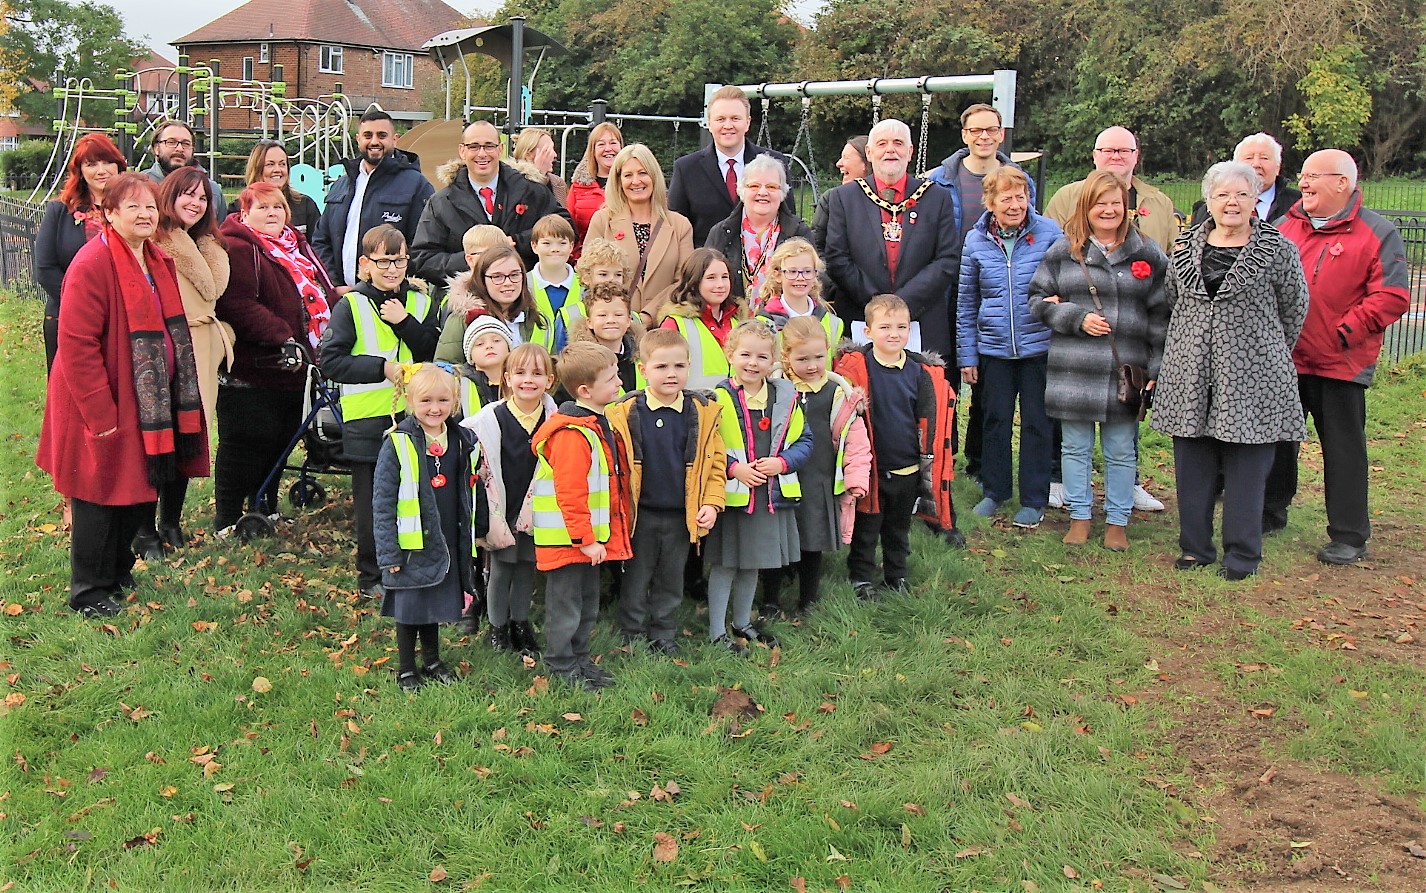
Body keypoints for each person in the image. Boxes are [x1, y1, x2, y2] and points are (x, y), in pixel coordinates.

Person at [36, 172, 209, 618]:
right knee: (98, 495)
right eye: (132, 206)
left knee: (138, 489)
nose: (145, 214)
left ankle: (117, 571)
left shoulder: (155, 260)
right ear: (110, 213)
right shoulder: (93, 263)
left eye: (150, 206)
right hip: (102, 402)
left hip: (149, 401)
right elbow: (77, 346)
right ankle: (89, 591)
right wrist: (100, 413)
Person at [1152, 161, 1309, 580]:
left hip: (1255, 377)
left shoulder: (1277, 250)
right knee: (1194, 464)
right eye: (1222, 195)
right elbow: (1173, 300)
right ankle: (1195, 548)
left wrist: (1261, 350)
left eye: (1241, 194)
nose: (1232, 203)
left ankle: (1241, 555)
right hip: (1190, 373)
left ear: (1256, 199)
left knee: (1246, 469)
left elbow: (1295, 310)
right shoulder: (1184, 248)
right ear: (1209, 201)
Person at [1266, 149, 1410, 565]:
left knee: (1343, 449)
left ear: (1342, 182)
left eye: (1313, 176)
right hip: (1285, 359)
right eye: (1303, 175)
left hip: (1340, 363)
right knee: (1276, 441)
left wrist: (1346, 331)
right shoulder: (1284, 226)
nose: (1303, 183)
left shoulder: (1376, 232)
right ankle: (1269, 512)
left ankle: (1348, 535)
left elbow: (1392, 295)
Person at [1030, 170, 1169, 552]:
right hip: (1073, 366)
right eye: (1100, 203)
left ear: (1127, 208)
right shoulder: (1064, 251)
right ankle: (1079, 516)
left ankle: (1117, 520)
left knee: (1121, 449)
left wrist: (1156, 368)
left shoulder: (1148, 253)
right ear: (1086, 208)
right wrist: (1074, 318)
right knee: (1074, 447)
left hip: (1125, 370)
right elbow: (1037, 300)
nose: (1108, 210)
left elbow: (1162, 315)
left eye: (1115, 203)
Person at [318, 224, 441, 596]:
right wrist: (380, 368)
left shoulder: (419, 301)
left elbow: (433, 351)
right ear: (364, 265)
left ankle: (416, 567)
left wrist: (404, 322)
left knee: (417, 495)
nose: (392, 269)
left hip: (418, 418)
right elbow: (331, 361)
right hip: (368, 421)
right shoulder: (351, 304)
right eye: (383, 261)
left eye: (399, 260)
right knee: (376, 503)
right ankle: (372, 575)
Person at [215, 182, 336, 536]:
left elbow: (318, 288)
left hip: (296, 365)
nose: (272, 214)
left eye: (278, 207)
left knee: (281, 437)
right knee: (245, 442)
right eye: (263, 208)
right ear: (245, 212)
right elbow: (238, 304)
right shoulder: (239, 247)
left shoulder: (295, 244)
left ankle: (263, 504)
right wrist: (281, 334)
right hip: (255, 366)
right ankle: (227, 515)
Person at [928, 102, 1038, 486]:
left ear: (1000, 134)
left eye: (991, 130)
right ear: (965, 135)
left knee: (989, 384)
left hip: (998, 291)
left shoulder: (1020, 180)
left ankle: (978, 459)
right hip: (949, 290)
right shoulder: (940, 179)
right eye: (976, 131)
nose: (984, 137)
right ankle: (945, 454)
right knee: (950, 376)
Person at [606, 328, 727, 656]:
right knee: (636, 576)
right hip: (640, 515)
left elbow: (715, 464)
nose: (671, 374)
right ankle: (631, 630)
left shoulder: (701, 414)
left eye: (678, 366)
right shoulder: (625, 413)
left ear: (688, 366)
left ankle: (664, 631)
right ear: (644, 370)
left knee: (671, 578)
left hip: (679, 515)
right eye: (661, 367)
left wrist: (713, 504)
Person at [834, 295, 962, 600]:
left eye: (901, 327)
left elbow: (927, 420)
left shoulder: (920, 372)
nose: (894, 333)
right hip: (873, 468)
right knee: (868, 528)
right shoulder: (858, 368)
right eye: (885, 327)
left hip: (908, 467)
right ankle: (861, 577)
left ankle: (896, 575)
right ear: (868, 332)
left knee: (897, 528)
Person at [957, 166, 1063, 530]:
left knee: (1037, 422)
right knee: (994, 419)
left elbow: (1065, 284)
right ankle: (995, 490)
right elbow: (966, 301)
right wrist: (967, 355)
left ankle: (1034, 499)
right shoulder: (976, 241)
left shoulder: (1049, 233)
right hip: (993, 349)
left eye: (1021, 196)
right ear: (990, 202)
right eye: (1007, 197)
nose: (1015, 204)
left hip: (1040, 348)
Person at [139, 167, 233, 556]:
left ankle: (171, 520)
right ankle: (144, 527)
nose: (195, 203)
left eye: (202, 197)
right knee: (159, 438)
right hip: (166, 350)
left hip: (202, 348)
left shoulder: (208, 244)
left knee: (188, 436)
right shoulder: (157, 242)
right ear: (170, 196)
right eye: (187, 195)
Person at [531, 341, 633, 690]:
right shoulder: (572, 435)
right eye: (612, 378)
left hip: (588, 541)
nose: (619, 383)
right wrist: (586, 539)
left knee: (586, 606)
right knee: (566, 608)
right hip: (569, 542)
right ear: (586, 390)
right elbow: (571, 493)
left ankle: (580, 660)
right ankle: (562, 666)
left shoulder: (596, 425)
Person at [706, 320, 811, 654]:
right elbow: (707, 446)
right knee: (725, 564)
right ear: (730, 354)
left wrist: (782, 463)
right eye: (745, 354)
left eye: (762, 357)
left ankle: (742, 622)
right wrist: (734, 469)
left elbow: (804, 441)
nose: (753, 363)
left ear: (773, 361)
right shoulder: (716, 398)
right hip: (732, 499)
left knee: (752, 562)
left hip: (768, 497)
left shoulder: (785, 397)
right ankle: (715, 631)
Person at [372, 364, 479, 691]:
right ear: (409, 401)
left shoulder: (461, 441)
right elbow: (383, 500)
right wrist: (389, 552)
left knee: (433, 603)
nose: (435, 409)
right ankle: (407, 668)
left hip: (446, 535)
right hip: (411, 542)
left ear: (455, 401)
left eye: (443, 401)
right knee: (410, 606)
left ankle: (432, 660)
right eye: (426, 401)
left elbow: (471, 489)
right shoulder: (398, 443)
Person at [823, 118, 960, 358]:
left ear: (910, 152)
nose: (890, 150)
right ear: (869, 152)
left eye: (898, 143)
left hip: (922, 319)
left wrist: (903, 304)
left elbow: (947, 259)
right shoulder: (845, 198)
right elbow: (836, 257)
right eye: (882, 143)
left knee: (927, 393)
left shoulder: (936, 198)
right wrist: (879, 304)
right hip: (861, 316)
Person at [762, 317, 870, 615]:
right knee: (777, 539)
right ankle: (770, 598)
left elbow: (855, 439)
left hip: (818, 478)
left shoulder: (836, 393)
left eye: (819, 357)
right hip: (782, 475)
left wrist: (856, 477)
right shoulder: (776, 390)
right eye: (803, 358)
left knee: (812, 540)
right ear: (786, 357)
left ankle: (808, 598)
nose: (812, 365)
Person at [464, 342, 559, 656]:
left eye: (537, 373)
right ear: (506, 378)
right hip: (503, 508)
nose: (528, 380)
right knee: (502, 569)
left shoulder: (554, 419)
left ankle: (520, 622)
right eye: (520, 373)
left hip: (537, 509)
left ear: (550, 380)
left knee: (526, 568)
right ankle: (497, 626)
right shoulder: (491, 418)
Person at [410, 119, 570, 280]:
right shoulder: (441, 203)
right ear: (462, 151)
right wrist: (475, 259)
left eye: (489, 146)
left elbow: (565, 226)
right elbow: (423, 259)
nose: (482, 153)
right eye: (474, 146)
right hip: (466, 299)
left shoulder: (531, 191)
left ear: (500, 149)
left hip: (521, 295)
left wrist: (517, 242)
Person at [311, 109, 434, 291]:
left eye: (382, 135)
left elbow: (421, 248)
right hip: (341, 298)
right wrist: (334, 285)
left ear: (395, 139)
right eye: (368, 135)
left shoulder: (416, 185)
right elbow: (321, 239)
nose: (374, 141)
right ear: (358, 139)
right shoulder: (342, 184)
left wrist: (380, 288)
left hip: (391, 302)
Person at [36, 132, 127, 371]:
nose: (101, 170)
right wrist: (83, 306)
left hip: (122, 319)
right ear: (80, 171)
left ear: (119, 165)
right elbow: (45, 269)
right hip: (68, 316)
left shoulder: (133, 211)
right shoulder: (59, 210)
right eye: (91, 164)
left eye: (108, 162)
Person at [585, 144, 694, 326]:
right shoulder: (602, 220)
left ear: (654, 176)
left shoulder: (680, 225)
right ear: (618, 181)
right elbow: (587, 276)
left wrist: (648, 315)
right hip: (613, 328)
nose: (636, 181)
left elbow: (684, 281)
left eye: (643, 173)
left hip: (663, 329)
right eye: (628, 175)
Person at [669, 85, 791, 246]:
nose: (728, 125)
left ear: (747, 123)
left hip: (764, 264)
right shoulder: (686, 169)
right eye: (721, 119)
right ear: (709, 124)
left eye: (735, 118)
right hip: (708, 266)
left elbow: (789, 221)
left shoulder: (775, 164)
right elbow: (677, 230)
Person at [703, 154, 815, 305]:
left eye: (771, 187)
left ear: (782, 193)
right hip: (731, 322)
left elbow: (813, 283)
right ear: (742, 190)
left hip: (783, 323)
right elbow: (704, 281)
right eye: (754, 186)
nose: (762, 192)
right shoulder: (721, 233)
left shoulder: (799, 234)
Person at [437, 246, 551, 357]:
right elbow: (445, 365)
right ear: (482, 280)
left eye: (514, 275)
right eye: (497, 277)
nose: (508, 282)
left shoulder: (537, 318)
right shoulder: (463, 319)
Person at [657, 248, 745, 388]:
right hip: (693, 407)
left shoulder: (739, 323)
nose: (720, 284)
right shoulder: (675, 324)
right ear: (694, 281)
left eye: (725, 277)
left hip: (735, 408)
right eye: (711, 278)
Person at [432, 224, 510, 364]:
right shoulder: (461, 310)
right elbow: (446, 362)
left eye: (501, 254)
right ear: (470, 260)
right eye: (487, 255)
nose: (495, 261)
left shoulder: (518, 300)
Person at [1189, 133, 1301, 227]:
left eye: (1264, 158)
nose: (1256, 164)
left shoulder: (1299, 205)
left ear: (1278, 167)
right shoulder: (1205, 210)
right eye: (1249, 158)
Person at [755, 238, 844, 345]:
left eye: (807, 271)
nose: (800, 277)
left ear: (815, 274)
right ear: (778, 275)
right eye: (792, 271)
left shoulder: (833, 323)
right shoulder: (762, 324)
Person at [567, 281, 645, 396]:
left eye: (618, 315)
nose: (611, 320)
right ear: (589, 322)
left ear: (629, 320)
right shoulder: (577, 365)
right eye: (602, 315)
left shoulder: (645, 358)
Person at [141, 121, 227, 224]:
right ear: (156, 148)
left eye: (186, 144)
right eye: (171, 142)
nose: (179, 149)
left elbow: (220, 234)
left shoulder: (212, 190)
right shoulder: (141, 186)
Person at [554, 237, 632, 344]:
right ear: (586, 277)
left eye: (618, 274)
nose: (611, 280)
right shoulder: (569, 315)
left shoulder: (633, 317)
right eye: (603, 274)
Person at [234, 139, 321, 235]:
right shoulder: (237, 207)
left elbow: (317, 244)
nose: (277, 169)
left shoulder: (306, 205)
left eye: (282, 164)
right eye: (270, 164)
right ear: (257, 168)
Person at [565, 122, 624, 252]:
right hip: (589, 259)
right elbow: (569, 229)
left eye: (613, 143)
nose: (608, 149)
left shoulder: (630, 185)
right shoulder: (578, 187)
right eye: (601, 144)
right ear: (593, 151)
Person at [527, 214, 581, 351]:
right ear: (534, 246)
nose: (555, 249)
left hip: (575, 366)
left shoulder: (584, 285)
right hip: (533, 365)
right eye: (547, 243)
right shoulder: (523, 284)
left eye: (562, 243)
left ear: (571, 246)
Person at [811, 135, 868, 253]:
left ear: (865, 164)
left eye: (846, 157)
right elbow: (816, 245)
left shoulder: (886, 199)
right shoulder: (831, 199)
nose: (838, 163)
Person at [455, 314, 513, 421]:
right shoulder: (459, 385)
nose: (489, 346)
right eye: (480, 344)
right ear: (470, 356)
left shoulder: (521, 380)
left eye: (496, 341)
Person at [510, 127, 569, 206]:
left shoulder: (558, 183)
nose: (555, 155)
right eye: (548, 150)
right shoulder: (511, 181)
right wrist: (537, 176)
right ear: (528, 154)